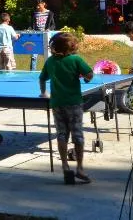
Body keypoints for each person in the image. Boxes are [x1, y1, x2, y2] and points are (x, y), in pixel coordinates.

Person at [39, 32, 93, 184]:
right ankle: (80, 169)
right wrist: (84, 77)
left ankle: (65, 167)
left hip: (57, 103)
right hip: (74, 103)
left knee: (62, 134)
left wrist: (44, 93)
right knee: (78, 135)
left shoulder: (50, 61)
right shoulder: (75, 59)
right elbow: (89, 74)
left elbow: (42, 78)